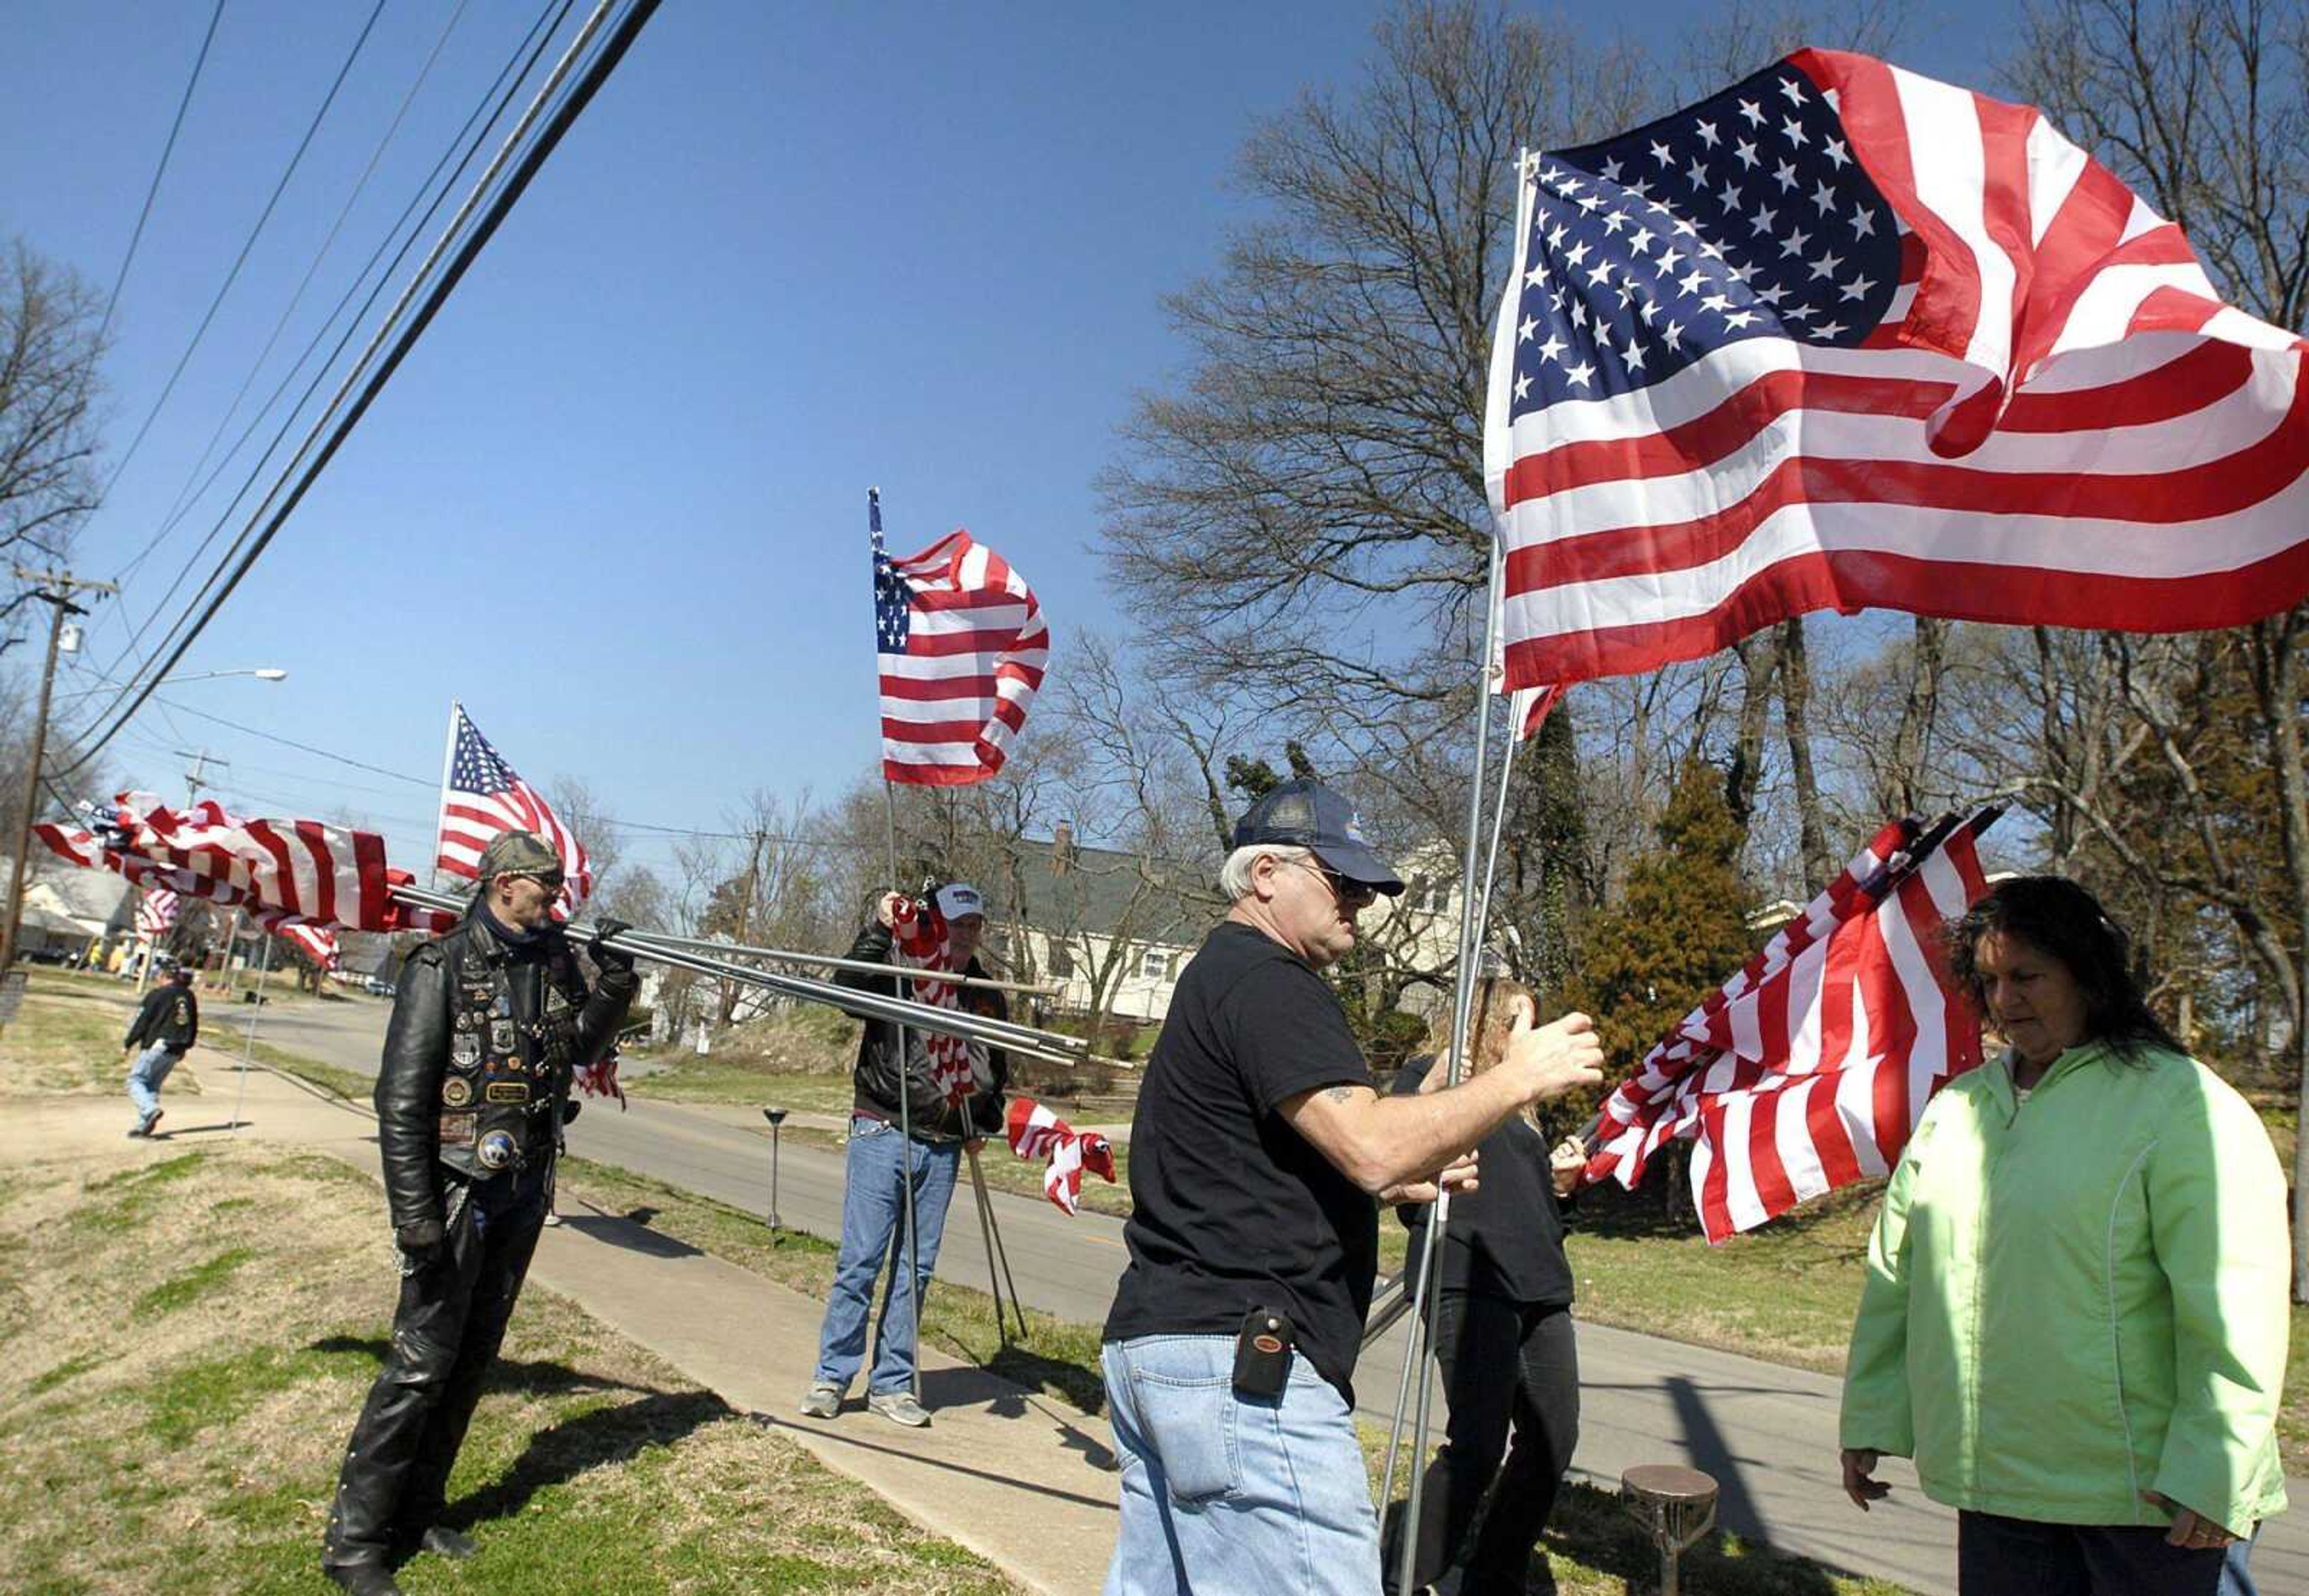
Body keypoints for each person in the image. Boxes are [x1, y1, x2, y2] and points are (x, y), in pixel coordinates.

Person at [1099, 776, 1606, 1596]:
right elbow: (1368, 1142)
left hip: (1166, 1352)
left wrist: (1395, 1185)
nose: (1362, 901)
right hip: (1242, 1367)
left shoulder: (1222, 975)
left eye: (1367, 886)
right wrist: (1518, 1078)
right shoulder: (1270, 979)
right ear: (1266, 874)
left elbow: (1256, 1175)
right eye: (1341, 880)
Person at [1839, 876, 2289, 1595]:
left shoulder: (2182, 1105)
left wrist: (2219, 1464)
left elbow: (2234, 1297)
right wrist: (1871, 1415)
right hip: (2002, 1491)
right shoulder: (1957, 1111)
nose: (2005, 1000)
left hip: (2151, 1502)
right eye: (1988, 980)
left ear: (2087, 973)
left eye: (2026, 976)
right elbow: (1898, 1276)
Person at [319, 830, 637, 1596]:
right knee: (420, 1363)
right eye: (546, 885)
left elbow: (579, 1048)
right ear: (504, 886)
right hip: (455, 1191)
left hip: (522, 1187)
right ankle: (356, 1542)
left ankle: (420, 1510)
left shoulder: (553, 960)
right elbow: (399, 1104)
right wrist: (416, 1218)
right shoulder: (441, 965)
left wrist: (616, 984)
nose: (558, 898)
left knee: (472, 1355)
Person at [1387, 975, 1590, 1596]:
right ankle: (1394, 1576)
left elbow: (1540, 1214)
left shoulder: (1525, 1113)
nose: (1527, 1034)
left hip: (1540, 1286)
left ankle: (1493, 1576)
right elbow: (1398, 1172)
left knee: (1553, 1438)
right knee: (1476, 1441)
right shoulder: (1432, 1079)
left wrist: (1561, 1187)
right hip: (1468, 1275)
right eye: (1516, 1020)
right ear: (1483, 1023)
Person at [799, 880, 1008, 1428]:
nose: (964, 935)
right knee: (860, 1261)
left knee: (914, 1270)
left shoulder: (986, 994)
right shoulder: (900, 970)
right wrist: (879, 930)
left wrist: (980, 1122)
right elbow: (847, 988)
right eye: (955, 924)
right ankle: (831, 1375)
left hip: (943, 1144)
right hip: (883, 1127)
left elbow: (996, 1070)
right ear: (934, 924)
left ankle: (893, 1383)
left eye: (973, 926)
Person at [123, 962, 198, 1137]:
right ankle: (144, 1126)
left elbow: (142, 1020)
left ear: (164, 977)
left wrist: (129, 1042)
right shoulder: (188, 996)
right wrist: (185, 1046)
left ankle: (150, 1110)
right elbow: (192, 1023)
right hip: (176, 1047)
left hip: (158, 1044)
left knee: (135, 1080)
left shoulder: (158, 994)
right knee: (152, 1085)